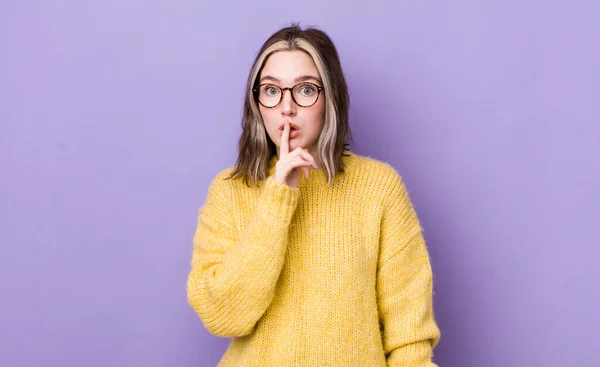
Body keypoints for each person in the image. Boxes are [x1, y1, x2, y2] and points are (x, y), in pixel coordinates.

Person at [186, 24, 441, 366]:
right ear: (256, 102)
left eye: (305, 90)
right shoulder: (230, 190)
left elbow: (410, 338)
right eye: (272, 90)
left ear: (330, 97)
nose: (287, 107)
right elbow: (223, 315)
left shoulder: (379, 188)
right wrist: (278, 198)